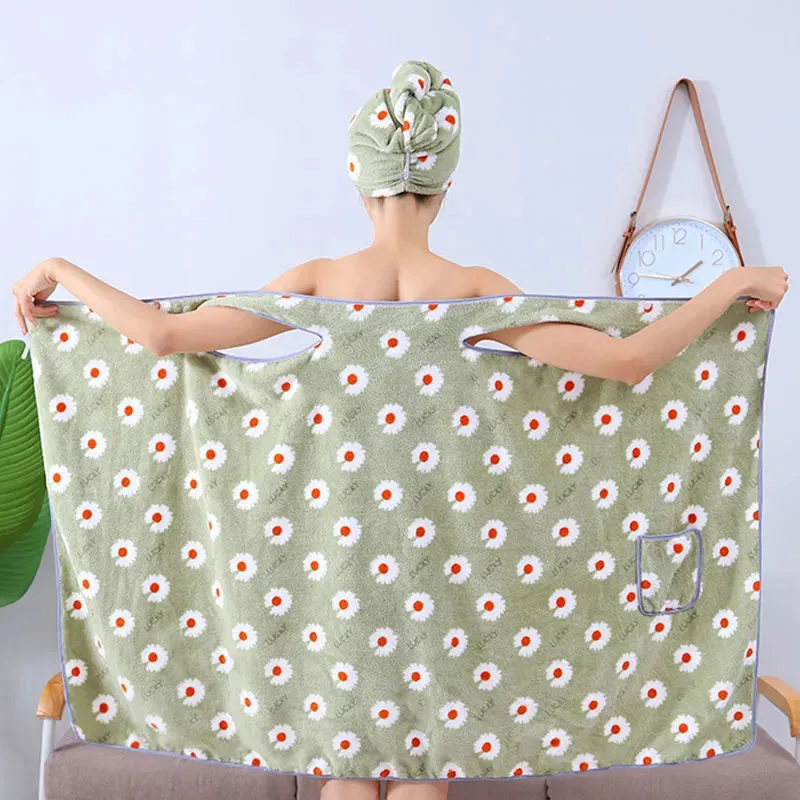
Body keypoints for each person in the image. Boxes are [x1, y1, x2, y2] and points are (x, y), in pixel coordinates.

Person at [8, 60, 789, 800]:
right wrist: (730, 285)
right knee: (424, 771)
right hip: (444, 593)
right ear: (445, 184)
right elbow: (628, 361)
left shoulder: (318, 281)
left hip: (330, 592)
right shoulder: (475, 290)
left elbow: (163, 337)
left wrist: (60, 270)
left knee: (344, 773)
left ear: (359, 175)